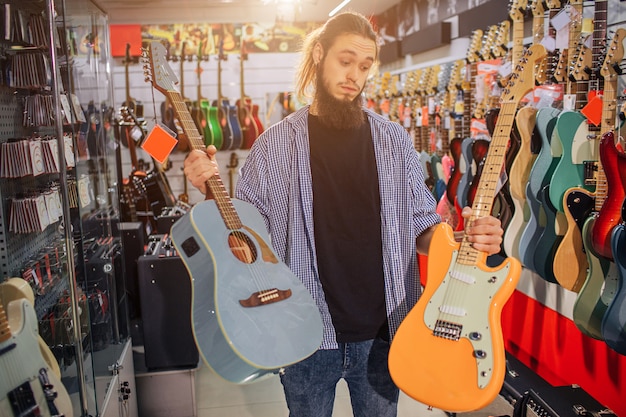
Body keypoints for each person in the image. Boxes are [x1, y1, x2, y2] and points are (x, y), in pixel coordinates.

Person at [183, 11, 504, 417]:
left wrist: (464, 239)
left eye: (365, 66)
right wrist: (208, 190)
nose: (355, 75)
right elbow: (246, 241)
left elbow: (423, 225)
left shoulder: (393, 140)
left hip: (386, 332)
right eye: (345, 61)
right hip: (304, 333)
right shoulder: (273, 146)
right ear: (319, 54)